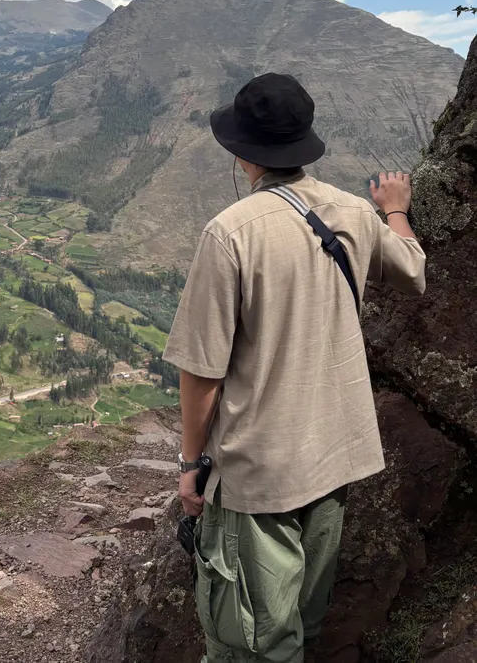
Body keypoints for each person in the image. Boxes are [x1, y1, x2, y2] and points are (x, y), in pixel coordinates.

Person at [163, 72, 426, 663]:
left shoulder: (231, 233)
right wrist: (396, 210)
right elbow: (413, 270)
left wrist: (190, 465)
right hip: (336, 454)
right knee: (303, 623)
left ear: (240, 152)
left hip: (263, 471)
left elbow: (202, 371)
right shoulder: (355, 212)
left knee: (251, 642)